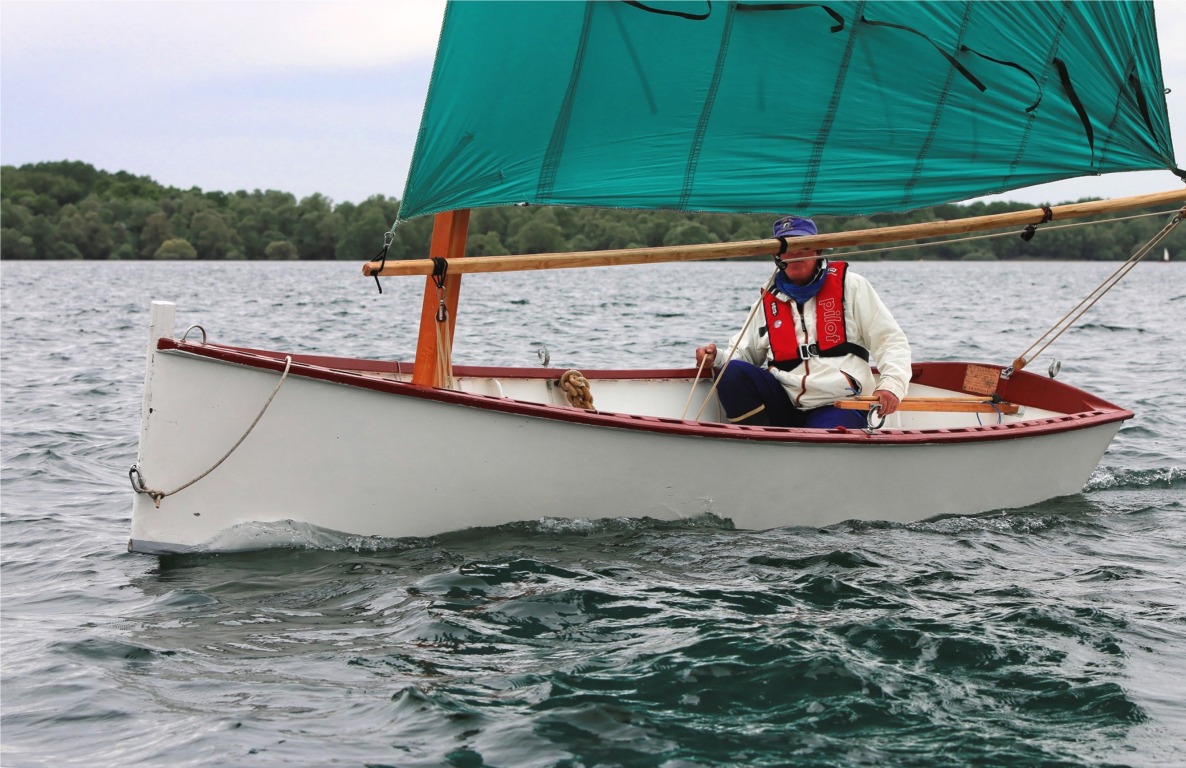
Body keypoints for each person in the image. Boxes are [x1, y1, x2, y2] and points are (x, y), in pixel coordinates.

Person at [695, 215, 911, 429]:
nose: (795, 254)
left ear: (818, 251)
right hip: (783, 401)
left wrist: (892, 386)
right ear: (777, 255)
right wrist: (715, 358)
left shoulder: (852, 286)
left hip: (838, 403)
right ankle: (758, 448)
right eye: (787, 247)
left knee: (828, 436)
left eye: (803, 245)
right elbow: (744, 354)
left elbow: (889, 340)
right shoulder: (767, 299)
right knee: (731, 372)